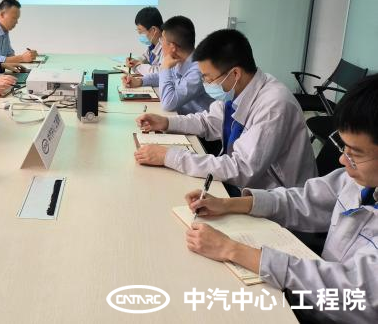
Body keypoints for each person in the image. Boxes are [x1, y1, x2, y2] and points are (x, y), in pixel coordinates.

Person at [184, 74, 378, 324]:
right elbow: (304, 200)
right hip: (312, 292)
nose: (342, 159)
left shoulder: (275, 103)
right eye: (344, 148)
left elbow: (354, 293)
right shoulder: (358, 180)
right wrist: (228, 204)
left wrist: (231, 249)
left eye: (355, 154)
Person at [134, 29, 317, 193]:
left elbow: (241, 169)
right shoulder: (244, 88)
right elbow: (208, 121)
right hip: (250, 187)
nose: (206, 83)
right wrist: (167, 122)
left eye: (208, 78)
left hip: (277, 200)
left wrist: (169, 156)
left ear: (235, 73)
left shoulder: (274, 106)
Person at [122, 16, 213, 114]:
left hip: (198, 120)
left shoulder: (197, 70)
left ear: (173, 47)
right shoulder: (179, 60)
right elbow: (161, 76)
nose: (160, 43)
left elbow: (168, 103)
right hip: (180, 114)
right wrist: (140, 81)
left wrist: (165, 68)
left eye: (162, 40)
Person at [0, 0, 38, 64]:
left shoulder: (4, 30)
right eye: (14, 18)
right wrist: (22, 58)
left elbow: (9, 55)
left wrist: (27, 57)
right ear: (2, 14)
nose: (16, 22)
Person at [124, 7, 163, 77]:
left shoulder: (167, 46)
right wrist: (134, 61)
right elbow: (145, 58)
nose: (139, 34)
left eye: (140, 30)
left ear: (153, 30)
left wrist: (137, 66)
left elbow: (160, 73)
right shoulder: (153, 45)